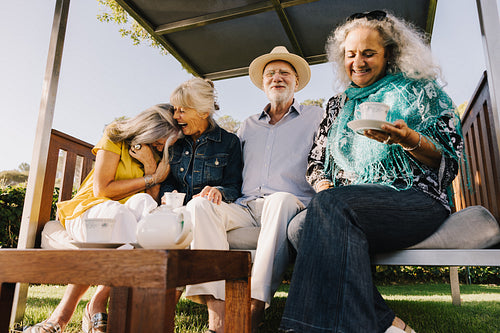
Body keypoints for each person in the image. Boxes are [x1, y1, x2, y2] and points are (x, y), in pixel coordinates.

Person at [281, 10, 463, 333]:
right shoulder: (336, 105)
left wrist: (409, 140)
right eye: (351, 54)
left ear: (388, 54)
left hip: (415, 198)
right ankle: (386, 323)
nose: (358, 62)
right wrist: (324, 188)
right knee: (298, 228)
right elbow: (315, 160)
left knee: (331, 209)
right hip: (351, 204)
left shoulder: (418, 90)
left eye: (368, 53)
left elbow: (449, 159)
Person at [181, 46, 324, 333]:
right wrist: (218, 189)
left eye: (285, 72)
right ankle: (218, 316)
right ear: (263, 83)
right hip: (245, 206)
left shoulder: (316, 118)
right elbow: (232, 171)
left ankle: (254, 308)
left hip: (290, 203)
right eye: (270, 73)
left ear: (297, 81)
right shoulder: (247, 126)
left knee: (280, 200)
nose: (277, 78)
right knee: (200, 205)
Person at [24, 104, 181, 333]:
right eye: (159, 140)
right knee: (118, 215)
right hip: (88, 211)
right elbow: (102, 190)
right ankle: (82, 310)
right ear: (149, 129)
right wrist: (151, 177)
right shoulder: (115, 136)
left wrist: (150, 166)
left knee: (144, 205)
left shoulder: (156, 158)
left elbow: (149, 201)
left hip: (122, 220)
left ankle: (90, 305)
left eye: (165, 145)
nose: (160, 147)